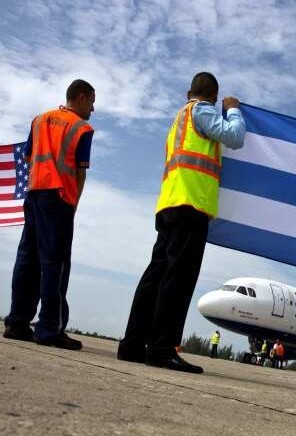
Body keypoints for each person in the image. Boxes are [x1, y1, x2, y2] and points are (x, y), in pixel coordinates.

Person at [117, 72, 245, 374]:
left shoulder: (178, 120)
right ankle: (161, 348)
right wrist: (234, 110)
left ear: (189, 91)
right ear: (213, 96)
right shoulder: (201, 111)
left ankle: (132, 343)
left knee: (155, 276)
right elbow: (235, 137)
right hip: (191, 204)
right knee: (179, 278)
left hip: (169, 203)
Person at [2, 80, 96, 350]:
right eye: (91, 101)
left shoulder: (39, 119)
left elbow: (28, 157)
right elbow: (80, 171)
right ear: (80, 98)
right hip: (60, 199)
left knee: (27, 257)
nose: (93, 107)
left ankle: (17, 322)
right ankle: (48, 328)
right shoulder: (82, 128)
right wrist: (73, 204)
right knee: (55, 263)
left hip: (34, 192)